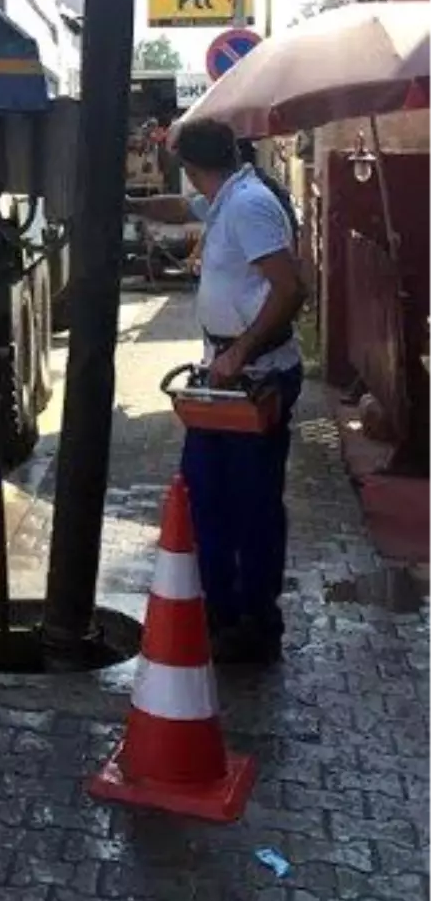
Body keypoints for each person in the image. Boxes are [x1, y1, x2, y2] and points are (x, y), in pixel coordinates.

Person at [130, 118, 307, 664]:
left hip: (254, 375)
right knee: (206, 494)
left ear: (187, 165)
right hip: (225, 375)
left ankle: (255, 620)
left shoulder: (249, 205)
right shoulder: (226, 197)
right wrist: (129, 205)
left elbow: (290, 288)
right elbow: (180, 209)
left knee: (250, 502)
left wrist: (241, 352)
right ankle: (221, 611)